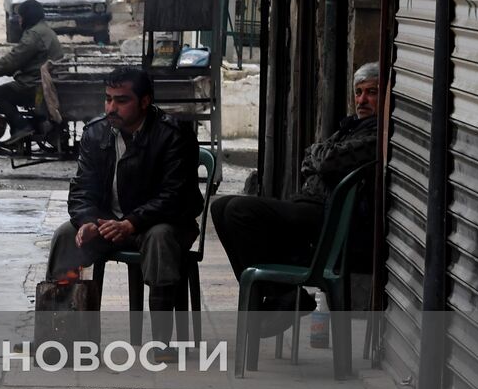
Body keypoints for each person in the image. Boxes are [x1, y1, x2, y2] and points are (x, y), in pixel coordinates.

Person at [45, 66, 203, 344]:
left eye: (121, 100)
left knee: (160, 238)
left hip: (162, 223)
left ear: (145, 102)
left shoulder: (173, 134)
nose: (111, 108)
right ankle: (60, 334)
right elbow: (82, 189)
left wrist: (131, 223)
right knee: (65, 236)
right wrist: (88, 222)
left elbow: (176, 196)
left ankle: (161, 342)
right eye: (108, 99)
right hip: (109, 223)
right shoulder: (96, 133)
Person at [211, 61, 381, 312]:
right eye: (358, 92)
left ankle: (283, 296)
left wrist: (320, 157)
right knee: (220, 208)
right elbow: (309, 157)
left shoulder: (376, 134)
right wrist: (320, 157)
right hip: (308, 208)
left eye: (371, 92)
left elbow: (325, 160)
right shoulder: (351, 127)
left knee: (239, 210)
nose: (362, 100)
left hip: (326, 219)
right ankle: (281, 296)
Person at [0, 0, 64, 145]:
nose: (19, 20)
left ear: (28, 17)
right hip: (43, 81)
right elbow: (22, 60)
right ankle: (21, 128)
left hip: (36, 85)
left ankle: (22, 127)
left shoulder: (34, 35)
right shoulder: (44, 30)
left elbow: (12, 60)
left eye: (21, 17)